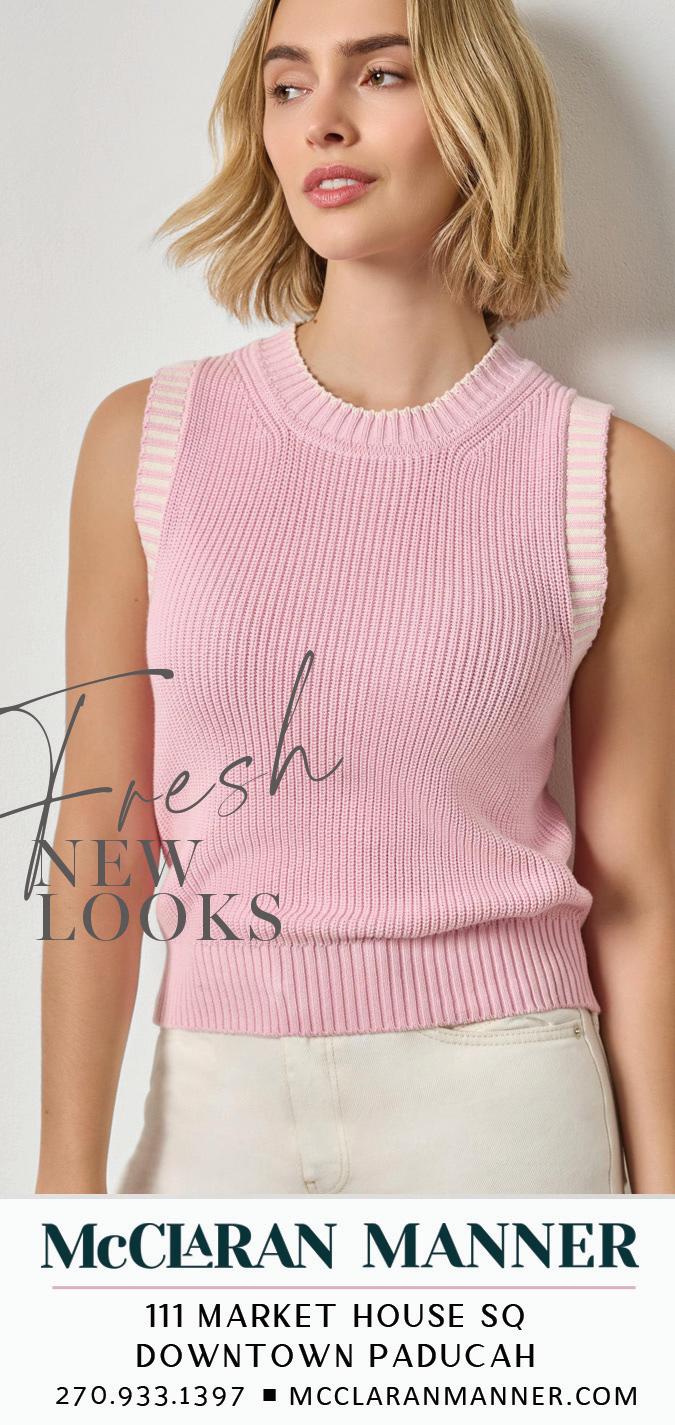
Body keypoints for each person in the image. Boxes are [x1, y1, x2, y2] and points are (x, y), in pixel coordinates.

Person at [35, 0, 675, 1198]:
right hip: (216, 1102)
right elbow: (100, 841)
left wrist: (665, 1220)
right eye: (287, 87)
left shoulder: (606, 479)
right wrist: (61, 1190)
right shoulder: (149, 441)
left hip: (506, 1111)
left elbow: (641, 887)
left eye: (380, 75)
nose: (322, 122)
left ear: (480, 111)